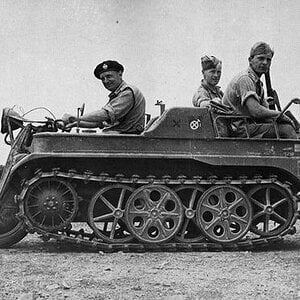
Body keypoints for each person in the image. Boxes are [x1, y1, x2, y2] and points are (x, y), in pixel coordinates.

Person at [222, 42, 297, 139]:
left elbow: (264, 112)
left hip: (248, 125)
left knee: (289, 123)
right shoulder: (245, 79)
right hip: (239, 129)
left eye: (268, 60)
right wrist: (279, 114)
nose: (265, 63)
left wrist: (280, 117)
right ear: (250, 60)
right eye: (261, 58)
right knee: (286, 129)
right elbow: (256, 111)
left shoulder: (257, 83)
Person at [63, 60, 146, 134]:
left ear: (120, 74)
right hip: (121, 138)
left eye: (109, 76)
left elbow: (105, 114)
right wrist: (75, 123)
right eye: (102, 79)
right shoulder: (117, 95)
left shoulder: (127, 92)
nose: (106, 81)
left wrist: (77, 118)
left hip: (127, 140)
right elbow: (99, 122)